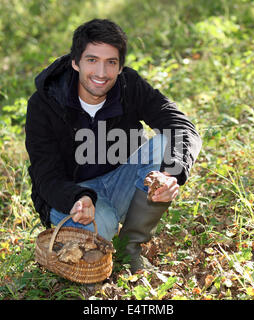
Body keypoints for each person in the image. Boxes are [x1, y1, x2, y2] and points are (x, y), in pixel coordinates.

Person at [25, 19, 201, 272]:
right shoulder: (45, 103)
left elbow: (181, 126)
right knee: (102, 231)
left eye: (111, 62)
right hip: (73, 195)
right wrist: (78, 198)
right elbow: (45, 174)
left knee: (167, 142)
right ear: (75, 62)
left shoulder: (129, 86)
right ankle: (89, 231)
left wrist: (171, 175)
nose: (101, 73)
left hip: (121, 180)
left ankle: (130, 246)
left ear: (120, 67)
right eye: (92, 60)